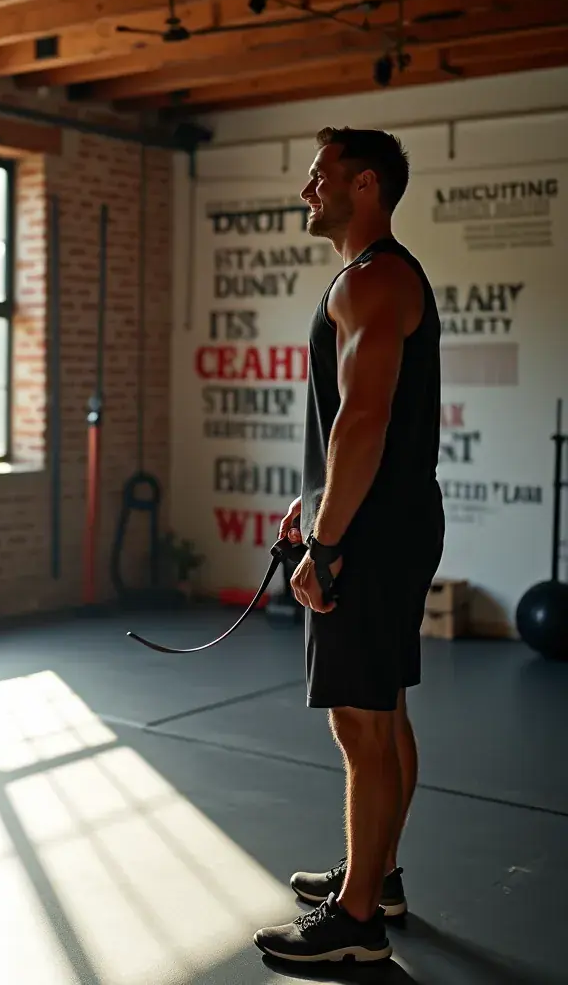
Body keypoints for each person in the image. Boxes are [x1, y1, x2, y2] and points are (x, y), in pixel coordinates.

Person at [254, 127, 444, 965]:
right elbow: (359, 424)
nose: (307, 190)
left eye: (319, 176)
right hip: (388, 520)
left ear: (365, 186)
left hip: (369, 535)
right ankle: (382, 875)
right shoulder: (373, 278)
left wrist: (326, 544)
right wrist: (314, 503)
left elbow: (365, 420)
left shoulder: (374, 280)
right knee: (387, 710)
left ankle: (357, 924)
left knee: (360, 726)